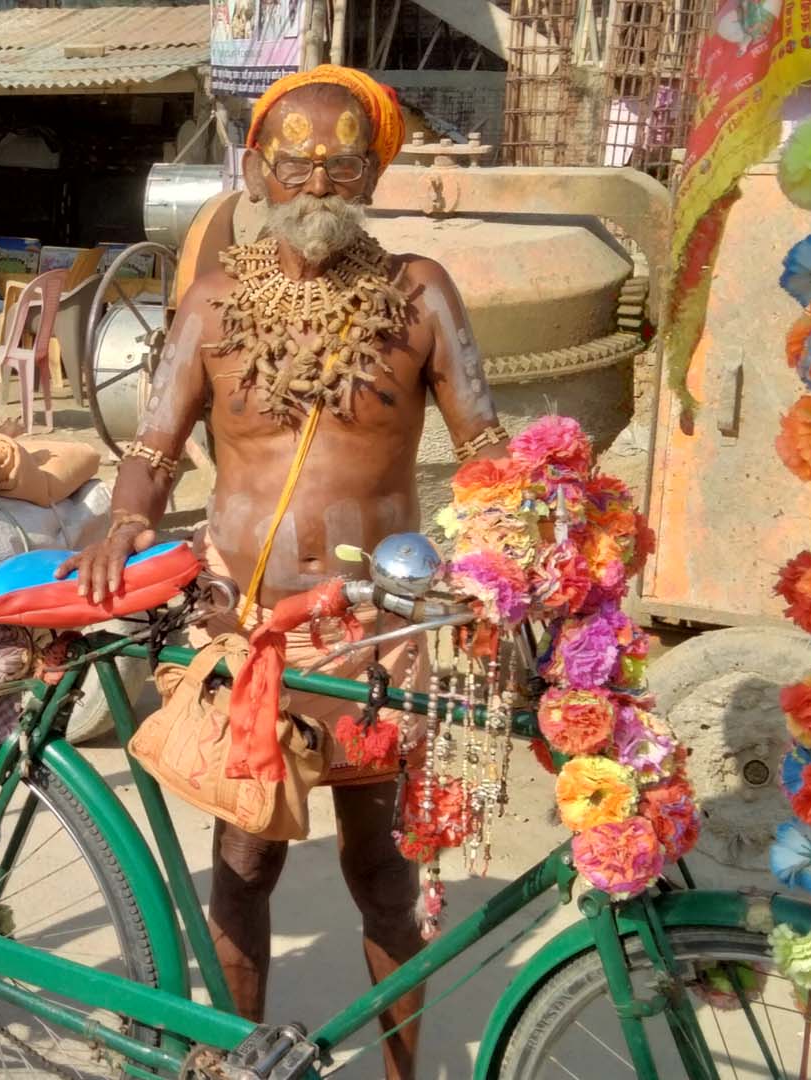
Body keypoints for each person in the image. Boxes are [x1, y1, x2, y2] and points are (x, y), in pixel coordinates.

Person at [59, 66, 506, 1079]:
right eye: (291, 162)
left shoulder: (419, 293)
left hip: (378, 637)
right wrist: (122, 522)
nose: (314, 182)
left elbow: (487, 448)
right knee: (246, 863)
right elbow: (154, 445)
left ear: (375, 172)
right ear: (256, 169)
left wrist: (527, 538)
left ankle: (402, 1072)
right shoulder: (214, 300)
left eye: (340, 162)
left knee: (383, 878)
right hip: (250, 626)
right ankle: (229, 1060)